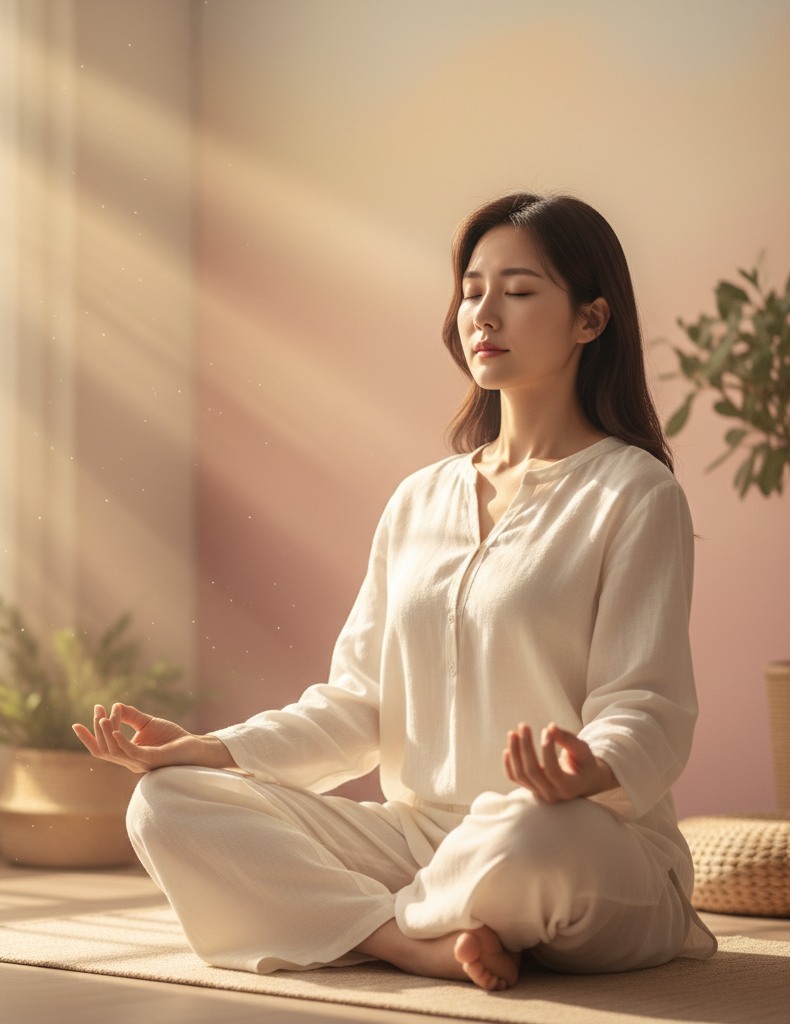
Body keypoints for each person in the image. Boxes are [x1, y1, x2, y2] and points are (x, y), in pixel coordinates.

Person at [74, 192, 718, 991]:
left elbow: (647, 706)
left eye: (518, 292)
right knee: (167, 805)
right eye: (473, 290)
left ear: (591, 319)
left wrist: (587, 768)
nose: (484, 313)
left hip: (569, 838)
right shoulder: (421, 498)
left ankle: (372, 919)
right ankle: (412, 939)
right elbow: (358, 706)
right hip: (417, 839)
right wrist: (212, 751)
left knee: (524, 836)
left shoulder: (633, 493)